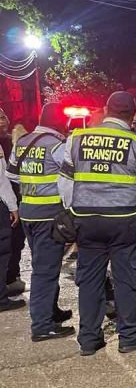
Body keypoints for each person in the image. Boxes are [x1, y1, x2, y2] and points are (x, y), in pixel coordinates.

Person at [60, 91, 136, 356]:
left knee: (90, 279)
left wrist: (73, 210)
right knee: (126, 278)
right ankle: (129, 336)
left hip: (87, 220)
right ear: (133, 114)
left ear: (105, 109)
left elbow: (65, 181)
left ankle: (89, 339)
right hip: (124, 220)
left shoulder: (77, 138)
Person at [6, 103, 74, 341]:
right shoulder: (57, 145)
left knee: (44, 263)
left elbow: (12, 175)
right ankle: (42, 325)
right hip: (49, 215)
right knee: (45, 270)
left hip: (29, 213)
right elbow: (69, 179)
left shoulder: (23, 141)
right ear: (59, 122)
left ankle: (51, 311)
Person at [0, 110, 25, 296]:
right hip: (6, 200)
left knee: (16, 242)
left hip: (16, 197)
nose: (2, 120)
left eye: (3, 116)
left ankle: (12, 276)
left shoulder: (13, 141)